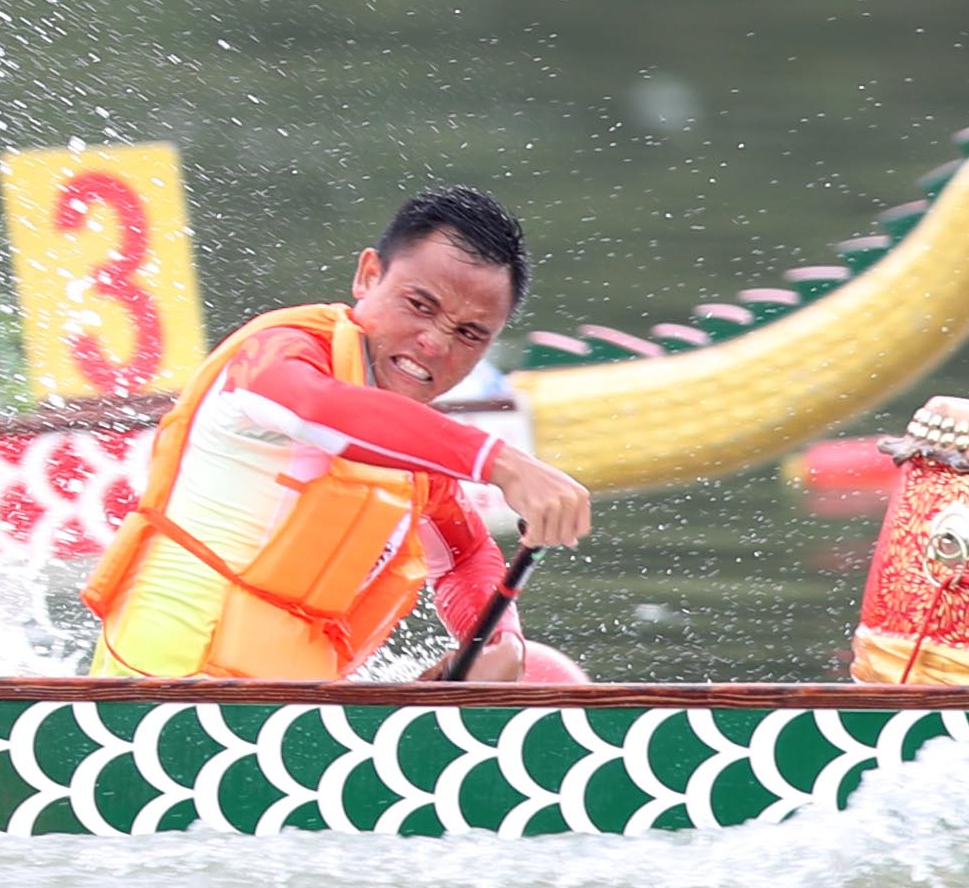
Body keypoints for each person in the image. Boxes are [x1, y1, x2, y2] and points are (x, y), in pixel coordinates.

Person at [79, 187, 593, 684]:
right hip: (154, 688)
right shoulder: (277, 354)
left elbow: (465, 556)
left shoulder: (413, 453)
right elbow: (320, 408)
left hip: (292, 711)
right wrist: (502, 463)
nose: (436, 344)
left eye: (469, 333)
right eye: (420, 305)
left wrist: (498, 643)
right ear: (368, 275)